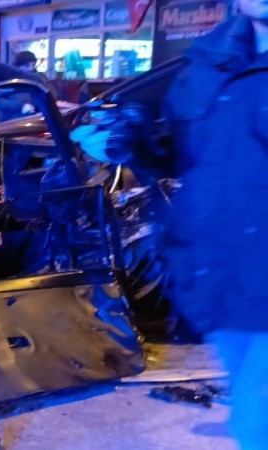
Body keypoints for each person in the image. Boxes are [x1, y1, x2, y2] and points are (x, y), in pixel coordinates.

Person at [162, 1, 268, 448]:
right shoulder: (205, 61)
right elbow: (180, 155)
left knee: (254, 422)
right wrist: (125, 143)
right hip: (221, 278)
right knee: (250, 420)